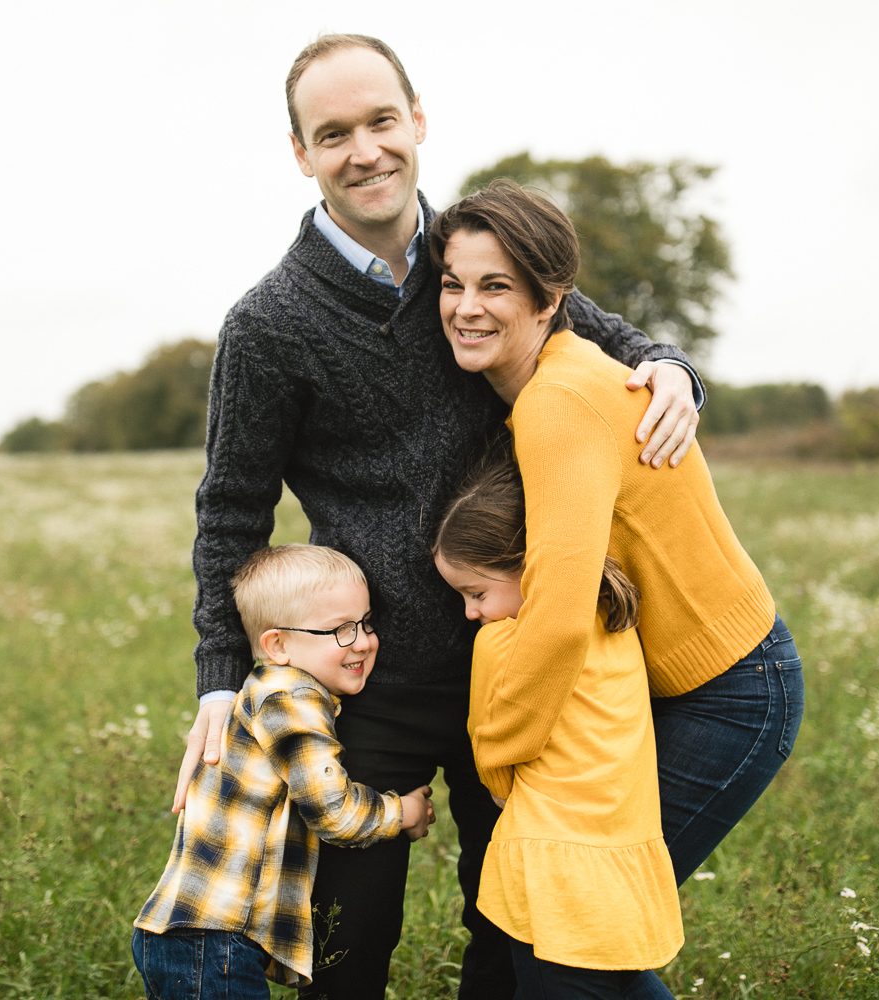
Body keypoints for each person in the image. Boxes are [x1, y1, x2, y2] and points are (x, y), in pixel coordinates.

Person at [178, 34, 706, 1000]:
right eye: (332, 133)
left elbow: (612, 336)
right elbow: (230, 514)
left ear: (417, 122)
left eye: (381, 121)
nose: (364, 149)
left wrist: (674, 369)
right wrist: (221, 679)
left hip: (518, 650)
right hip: (368, 668)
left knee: (509, 923)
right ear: (301, 154)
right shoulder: (269, 324)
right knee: (350, 933)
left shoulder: (477, 263)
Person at [430, 179, 805, 889]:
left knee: (587, 922)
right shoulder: (552, 383)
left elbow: (562, 616)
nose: (467, 307)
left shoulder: (558, 401)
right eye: (453, 285)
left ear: (550, 301)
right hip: (683, 684)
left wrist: (498, 757)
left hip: (730, 688)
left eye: (495, 286)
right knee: (577, 931)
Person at [133, 544, 436, 999]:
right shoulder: (291, 698)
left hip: (201, 934)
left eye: (366, 622)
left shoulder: (274, 688)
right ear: (278, 644)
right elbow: (333, 811)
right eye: (340, 630)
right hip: (212, 937)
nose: (363, 641)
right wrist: (403, 812)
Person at [433, 453, 683, 999]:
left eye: (476, 593)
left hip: (551, 862)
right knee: (617, 984)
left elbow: (489, 741)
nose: (471, 613)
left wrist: (501, 791)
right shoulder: (615, 620)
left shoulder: (501, 642)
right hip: (619, 848)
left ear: (530, 564)